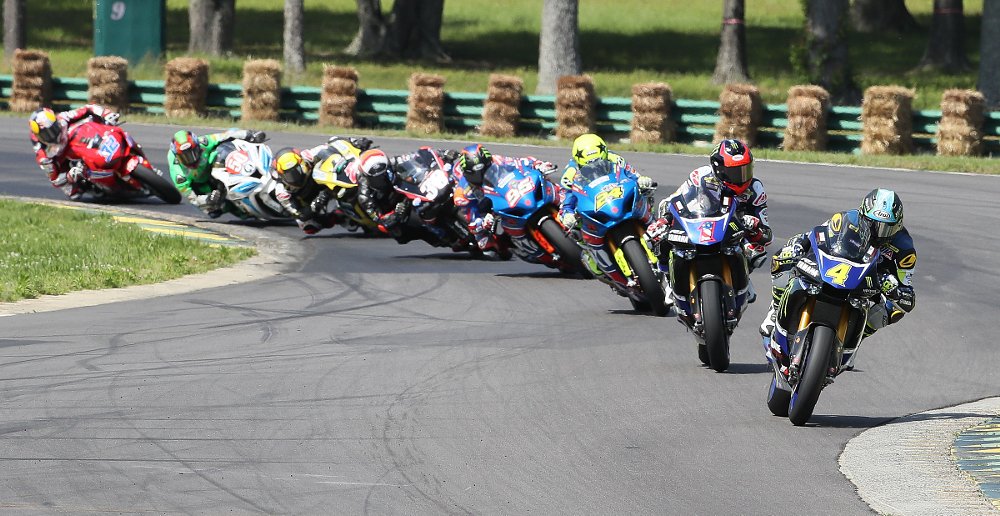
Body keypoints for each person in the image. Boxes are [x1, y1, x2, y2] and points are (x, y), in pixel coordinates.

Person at [760, 188, 916, 371]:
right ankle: (776, 307)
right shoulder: (845, 219)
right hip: (835, 270)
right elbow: (815, 235)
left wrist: (897, 290)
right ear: (863, 216)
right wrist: (799, 245)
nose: (879, 233)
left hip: (869, 285)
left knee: (894, 311)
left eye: (886, 228)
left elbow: (906, 286)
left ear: (898, 225)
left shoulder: (905, 250)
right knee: (782, 259)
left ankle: (855, 340)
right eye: (875, 225)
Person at [645, 138, 773, 305]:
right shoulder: (701, 176)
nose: (741, 178)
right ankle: (669, 279)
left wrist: (755, 226)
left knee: (756, 251)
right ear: (718, 169)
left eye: (745, 170)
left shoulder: (755, 188)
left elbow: (767, 235)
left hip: (735, 229)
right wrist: (664, 220)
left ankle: (742, 277)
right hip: (702, 223)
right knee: (664, 234)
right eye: (735, 172)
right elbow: (675, 201)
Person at [557, 133, 657, 285]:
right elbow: (566, 196)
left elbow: (632, 175)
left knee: (647, 198)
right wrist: (567, 213)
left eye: (597, 160)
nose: (594, 164)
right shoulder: (570, 174)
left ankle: (658, 235)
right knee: (576, 232)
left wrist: (642, 180)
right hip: (593, 205)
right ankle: (598, 262)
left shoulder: (615, 159)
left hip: (617, 198)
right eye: (588, 164)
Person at [453, 143, 557, 260]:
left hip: (509, 193)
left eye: (485, 169)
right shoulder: (462, 193)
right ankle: (530, 252)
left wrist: (538, 164)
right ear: (466, 172)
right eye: (475, 173)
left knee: (550, 183)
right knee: (488, 247)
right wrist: (482, 223)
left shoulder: (498, 160)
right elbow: (471, 221)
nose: (480, 175)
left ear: (489, 163)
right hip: (487, 212)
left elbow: (521, 162)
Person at [272, 136, 374, 235]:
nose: (295, 177)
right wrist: (317, 203)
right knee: (310, 227)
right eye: (289, 175)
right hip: (309, 202)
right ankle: (338, 216)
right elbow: (299, 214)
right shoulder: (281, 191)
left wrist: (354, 143)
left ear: (302, 163)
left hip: (326, 182)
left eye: (297, 170)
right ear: (281, 175)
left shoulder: (307, 156)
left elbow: (333, 144)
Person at [167, 127, 267, 218]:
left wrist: (250, 134)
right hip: (201, 183)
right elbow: (191, 197)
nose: (191, 159)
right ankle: (243, 212)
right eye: (185, 157)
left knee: (227, 143)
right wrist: (207, 199)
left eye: (193, 152)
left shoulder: (203, 142)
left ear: (198, 146)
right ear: (177, 157)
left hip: (214, 165)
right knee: (213, 211)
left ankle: (255, 165)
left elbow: (227, 134)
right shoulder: (179, 174)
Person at [29, 105, 122, 200]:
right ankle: (91, 183)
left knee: (101, 122)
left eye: (53, 129)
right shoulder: (43, 154)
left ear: (56, 121)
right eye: (46, 134)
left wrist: (106, 114)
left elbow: (89, 108)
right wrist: (69, 176)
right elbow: (55, 180)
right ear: (38, 136)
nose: (51, 136)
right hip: (62, 156)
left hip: (82, 138)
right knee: (73, 193)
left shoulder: (63, 117)